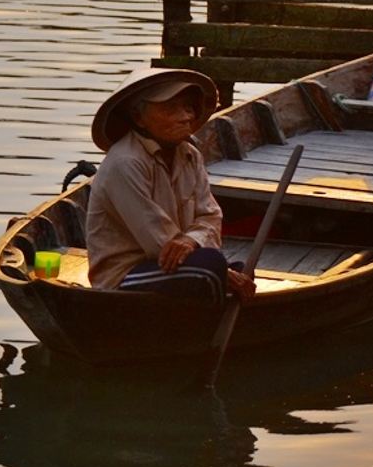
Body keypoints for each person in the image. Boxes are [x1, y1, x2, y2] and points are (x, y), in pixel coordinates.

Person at [86, 67, 255, 307]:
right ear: (138, 117)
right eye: (171, 109)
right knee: (213, 268)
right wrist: (220, 270)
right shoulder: (125, 162)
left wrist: (191, 241)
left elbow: (210, 217)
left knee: (242, 270)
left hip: (177, 262)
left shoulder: (190, 156)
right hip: (125, 275)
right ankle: (202, 332)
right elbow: (158, 242)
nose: (186, 117)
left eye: (187, 107)